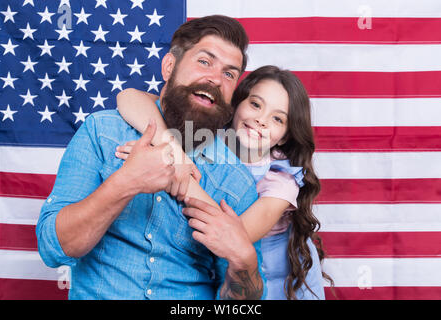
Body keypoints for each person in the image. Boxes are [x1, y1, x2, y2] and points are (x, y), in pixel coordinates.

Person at [36, 15, 266, 300]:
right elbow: (53, 248)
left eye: (229, 74)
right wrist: (126, 182)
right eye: (205, 62)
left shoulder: (235, 181)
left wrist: (245, 263)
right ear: (170, 66)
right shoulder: (102, 132)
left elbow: (243, 302)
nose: (215, 79)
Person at [116, 66, 334, 300]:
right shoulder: (211, 137)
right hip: (213, 272)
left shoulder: (282, 178)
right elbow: (128, 97)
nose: (261, 120)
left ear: (286, 135)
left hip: (273, 280)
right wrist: (170, 148)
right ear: (236, 104)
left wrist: (168, 169)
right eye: (255, 105)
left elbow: (236, 235)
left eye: (277, 119)